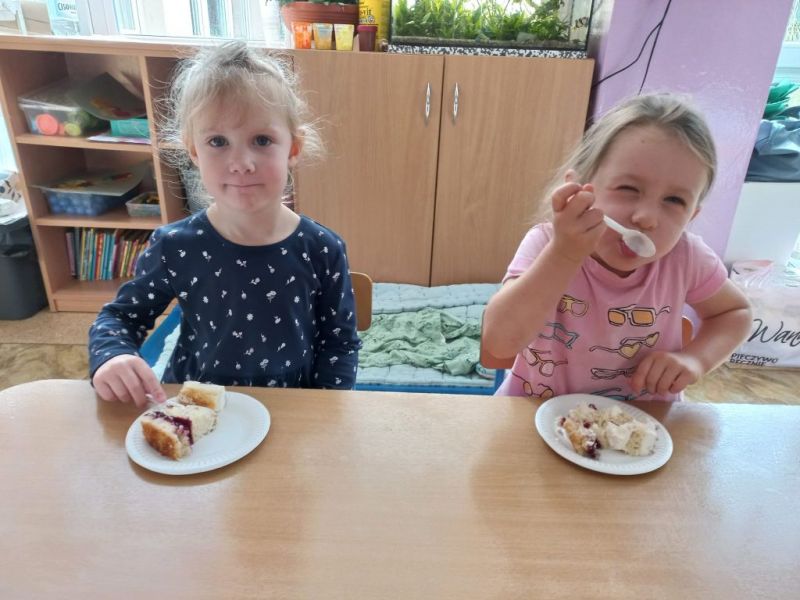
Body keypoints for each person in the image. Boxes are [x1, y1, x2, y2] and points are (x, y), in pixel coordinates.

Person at [89, 41, 361, 407]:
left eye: (262, 140)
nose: (241, 163)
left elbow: (339, 344)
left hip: (292, 409)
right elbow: (120, 317)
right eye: (218, 141)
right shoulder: (174, 245)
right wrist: (113, 356)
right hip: (197, 406)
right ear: (194, 151)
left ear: (293, 149)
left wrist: (325, 410)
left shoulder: (323, 248)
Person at [482, 93, 751, 401]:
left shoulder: (686, 258)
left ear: (691, 215)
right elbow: (499, 343)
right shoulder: (546, 243)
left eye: (674, 200)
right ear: (577, 190)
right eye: (628, 188)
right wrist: (564, 254)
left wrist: (696, 359)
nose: (646, 218)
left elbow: (736, 313)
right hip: (535, 415)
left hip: (642, 423)